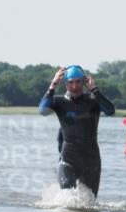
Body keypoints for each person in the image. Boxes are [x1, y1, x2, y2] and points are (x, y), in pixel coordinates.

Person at [38, 65, 115, 197]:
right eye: (71, 82)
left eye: (78, 81)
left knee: (88, 200)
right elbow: (43, 110)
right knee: (67, 194)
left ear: (84, 82)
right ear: (65, 83)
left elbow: (110, 111)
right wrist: (53, 84)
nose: (74, 86)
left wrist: (95, 90)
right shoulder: (59, 102)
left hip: (91, 158)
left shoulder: (93, 101)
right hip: (69, 156)